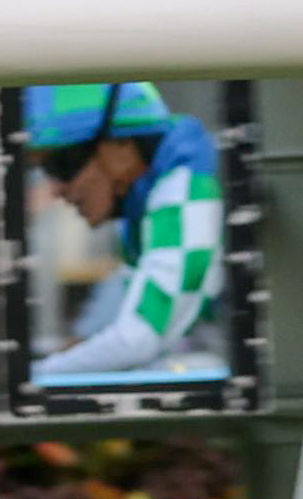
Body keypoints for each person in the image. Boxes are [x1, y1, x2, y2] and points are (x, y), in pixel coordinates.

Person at [23, 80, 224, 383]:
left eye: (61, 166)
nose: (56, 190)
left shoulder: (187, 184)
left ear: (121, 145)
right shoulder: (141, 202)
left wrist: (26, 379)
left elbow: (137, 340)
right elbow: (116, 326)